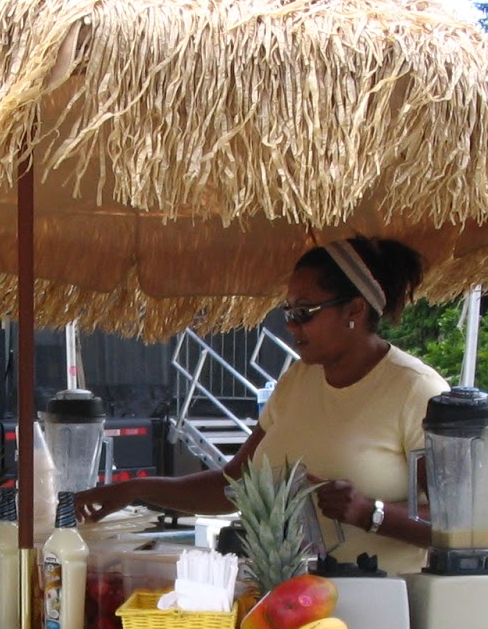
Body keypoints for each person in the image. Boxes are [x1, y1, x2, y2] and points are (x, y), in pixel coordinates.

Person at [75, 236, 449, 573]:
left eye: (304, 312)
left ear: (354, 310)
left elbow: (461, 527)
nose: (291, 326)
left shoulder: (416, 390)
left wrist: (371, 513)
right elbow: (233, 485)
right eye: (287, 313)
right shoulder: (298, 379)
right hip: (289, 599)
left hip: (380, 611)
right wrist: (137, 489)